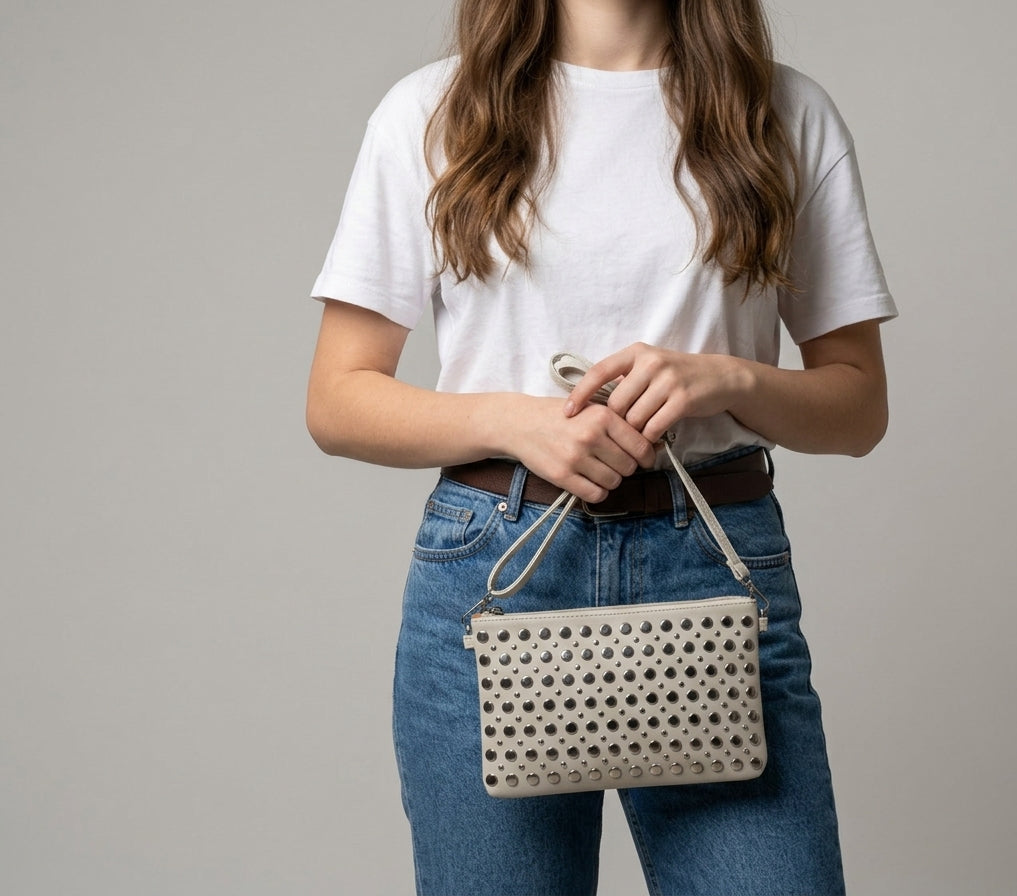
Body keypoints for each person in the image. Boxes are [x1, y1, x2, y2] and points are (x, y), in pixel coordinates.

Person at [306, 1, 897, 893]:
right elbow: (337, 399)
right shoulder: (434, 111)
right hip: (499, 572)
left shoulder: (780, 112)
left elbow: (857, 408)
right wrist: (514, 421)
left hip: (715, 565)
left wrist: (729, 380)